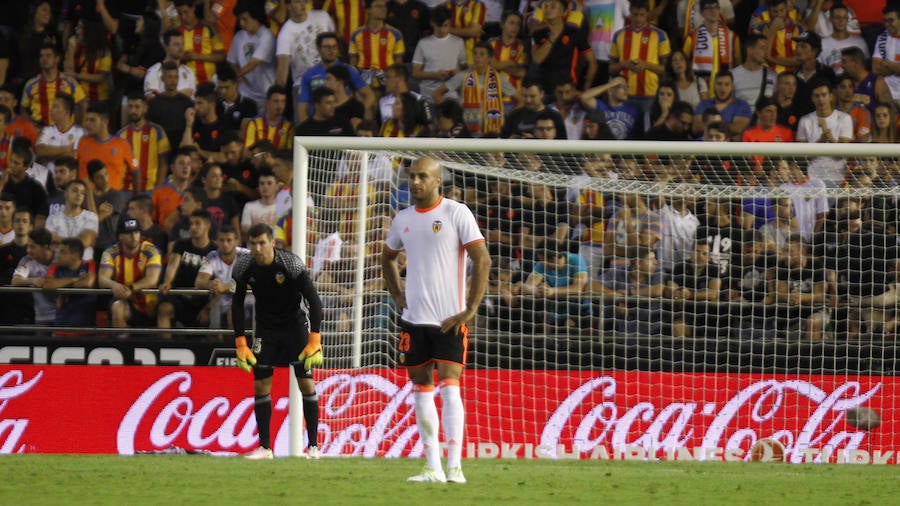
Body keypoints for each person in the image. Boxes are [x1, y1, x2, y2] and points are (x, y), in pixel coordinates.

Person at [381, 156, 490, 483]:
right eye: (412, 177)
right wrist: (398, 296)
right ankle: (432, 466)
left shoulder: (456, 213)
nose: (415, 182)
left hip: (449, 320)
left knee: (450, 389)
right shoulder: (402, 219)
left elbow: (482, 259)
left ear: (437, 180)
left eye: (423, 177)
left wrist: (470, 309)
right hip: (414, 321)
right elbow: (386, 259)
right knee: (421, 389)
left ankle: (455, 466)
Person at [231, 223, 325, 459]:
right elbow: (237, 304)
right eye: (253, 243)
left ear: (273, 242)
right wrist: (240, 341)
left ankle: (313, 446)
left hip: (295, 328)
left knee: (305, 383)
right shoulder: (243, 266)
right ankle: (265, 447)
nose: (257, 248)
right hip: (265, 330)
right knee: (261, 384)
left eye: (262, 243)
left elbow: (314, 300)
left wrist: (315, 337)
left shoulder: (290, 264)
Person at [97, 215, 163, 329]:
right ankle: (121, 344)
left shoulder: (151, 251)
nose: (134, 237)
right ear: (120, 236)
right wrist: (114, 285)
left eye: (136, 232)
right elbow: (102, 278)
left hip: (149, 304)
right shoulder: (110, 252)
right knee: (118, 308)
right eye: (129, 233)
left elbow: (152, 280)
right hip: (123, 299)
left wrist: (130, 288)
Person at [157, 209, 217, 330]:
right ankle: (164, 346)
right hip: (179, 296)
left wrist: (208, 308)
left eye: (197, 223)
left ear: (207, 226)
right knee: (164, 309)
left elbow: (218, 283)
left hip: (202, 300)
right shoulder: (180, 245)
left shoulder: (215, 251)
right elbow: (172, 265)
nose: (193, 227)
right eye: (191, 224)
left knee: (214, 317)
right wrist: (167, 282)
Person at [227, 1, 277, 111]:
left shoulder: (267, 36)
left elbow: (253, 63)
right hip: (245, 95)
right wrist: (237, 73)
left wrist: (235, 76)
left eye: (245, 19)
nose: (241, 23)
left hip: (265, 96)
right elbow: (232, 61)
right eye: (240, 19)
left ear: (256, 17)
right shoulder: (239, 36)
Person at [43, 237, 97, 329]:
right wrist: (75, 280)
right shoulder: (55, 267)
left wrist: (62, 289)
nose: (58, 256)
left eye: (63, 252)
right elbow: (47, 285)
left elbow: (87, 283)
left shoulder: (88, 265)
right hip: (61, 326)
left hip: (85, 328)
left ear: (75, 255)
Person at [11, 227, 57, 325]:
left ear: (45, 247)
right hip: (42, 317)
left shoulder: (60, 257)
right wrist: (33, 281)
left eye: (32, 247)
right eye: (28, 246)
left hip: (63, 316)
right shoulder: (26, 260)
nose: (28, 250)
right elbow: (15, 280)